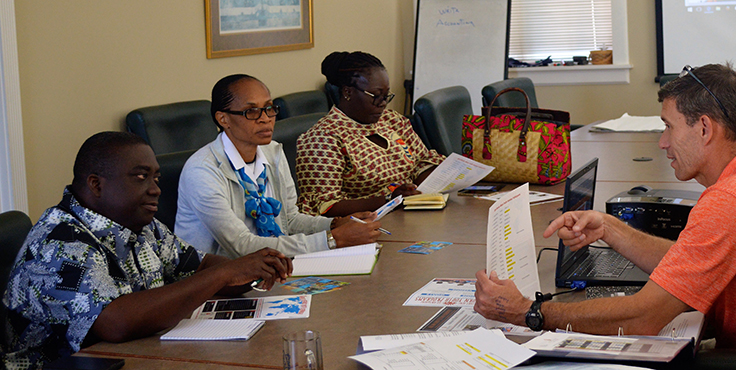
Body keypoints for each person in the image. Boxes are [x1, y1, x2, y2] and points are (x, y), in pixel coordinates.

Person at [473, 63, 736, 353]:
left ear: (704, 128)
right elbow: (687, 261)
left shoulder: (730, 202)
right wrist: (609, 228)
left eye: (668, 126)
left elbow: (643, 317)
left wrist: (527, 312)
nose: (662, 141)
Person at [2, 132, 293, 369]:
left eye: (156, 178)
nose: (155, 189)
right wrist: (225, 273)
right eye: (141, 177)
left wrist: (250, 269)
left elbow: (198, 267)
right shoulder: (60, 242)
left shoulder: (140, 223)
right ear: (96, 185)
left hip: (138, 355)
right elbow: (116, 322)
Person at [175, 74, 382, 258]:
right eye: (251, 111)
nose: (265, 119)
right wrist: (332, 239)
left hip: (272, 266)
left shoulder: (272, 152)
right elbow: (240, 246)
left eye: (269, 109)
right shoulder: (202, 171)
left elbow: (289, 220)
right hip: (219, 283)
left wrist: (336, 223)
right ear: (223, 119)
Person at [295, 51, 446, 217]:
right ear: (348, 92)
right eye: (375, 96)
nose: (382, 104)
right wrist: (390, 199)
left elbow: (422, 162)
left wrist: (443, 178)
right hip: (365, 226)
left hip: (412, 213)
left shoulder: (391, 120)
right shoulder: (323, 139)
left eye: (386, 96)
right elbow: (324, 207)